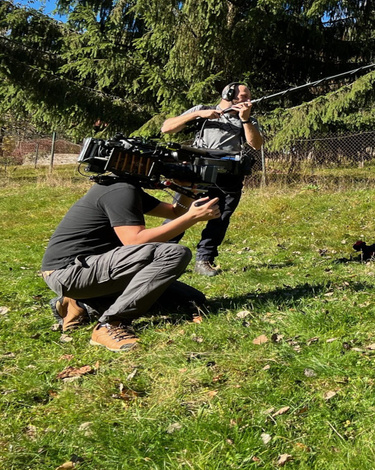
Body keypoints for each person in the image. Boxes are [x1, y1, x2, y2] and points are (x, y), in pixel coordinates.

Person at [40, 181, 220, 351]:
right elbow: (134, 241)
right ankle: (110, 324)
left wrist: (183, 189)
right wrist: (193, 217)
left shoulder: (125, 187)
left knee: (190, 299)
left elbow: (174, 212)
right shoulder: (120, 190)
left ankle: (81, 304)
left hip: (87, 269)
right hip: (70, 272)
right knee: (174, 253)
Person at [161, 82, 264, 276]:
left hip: (229, 174)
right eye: (243, 96)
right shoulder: (202, 110)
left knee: (221, 217)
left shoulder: (248, 118)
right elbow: (167, 128)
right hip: (198, 170)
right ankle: (161, 253)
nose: (247, 100)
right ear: (228, 94)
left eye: (249, 96)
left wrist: (245, 120)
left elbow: (256, 144)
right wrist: (197, 115)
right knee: (181, 212)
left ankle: (204, 260)